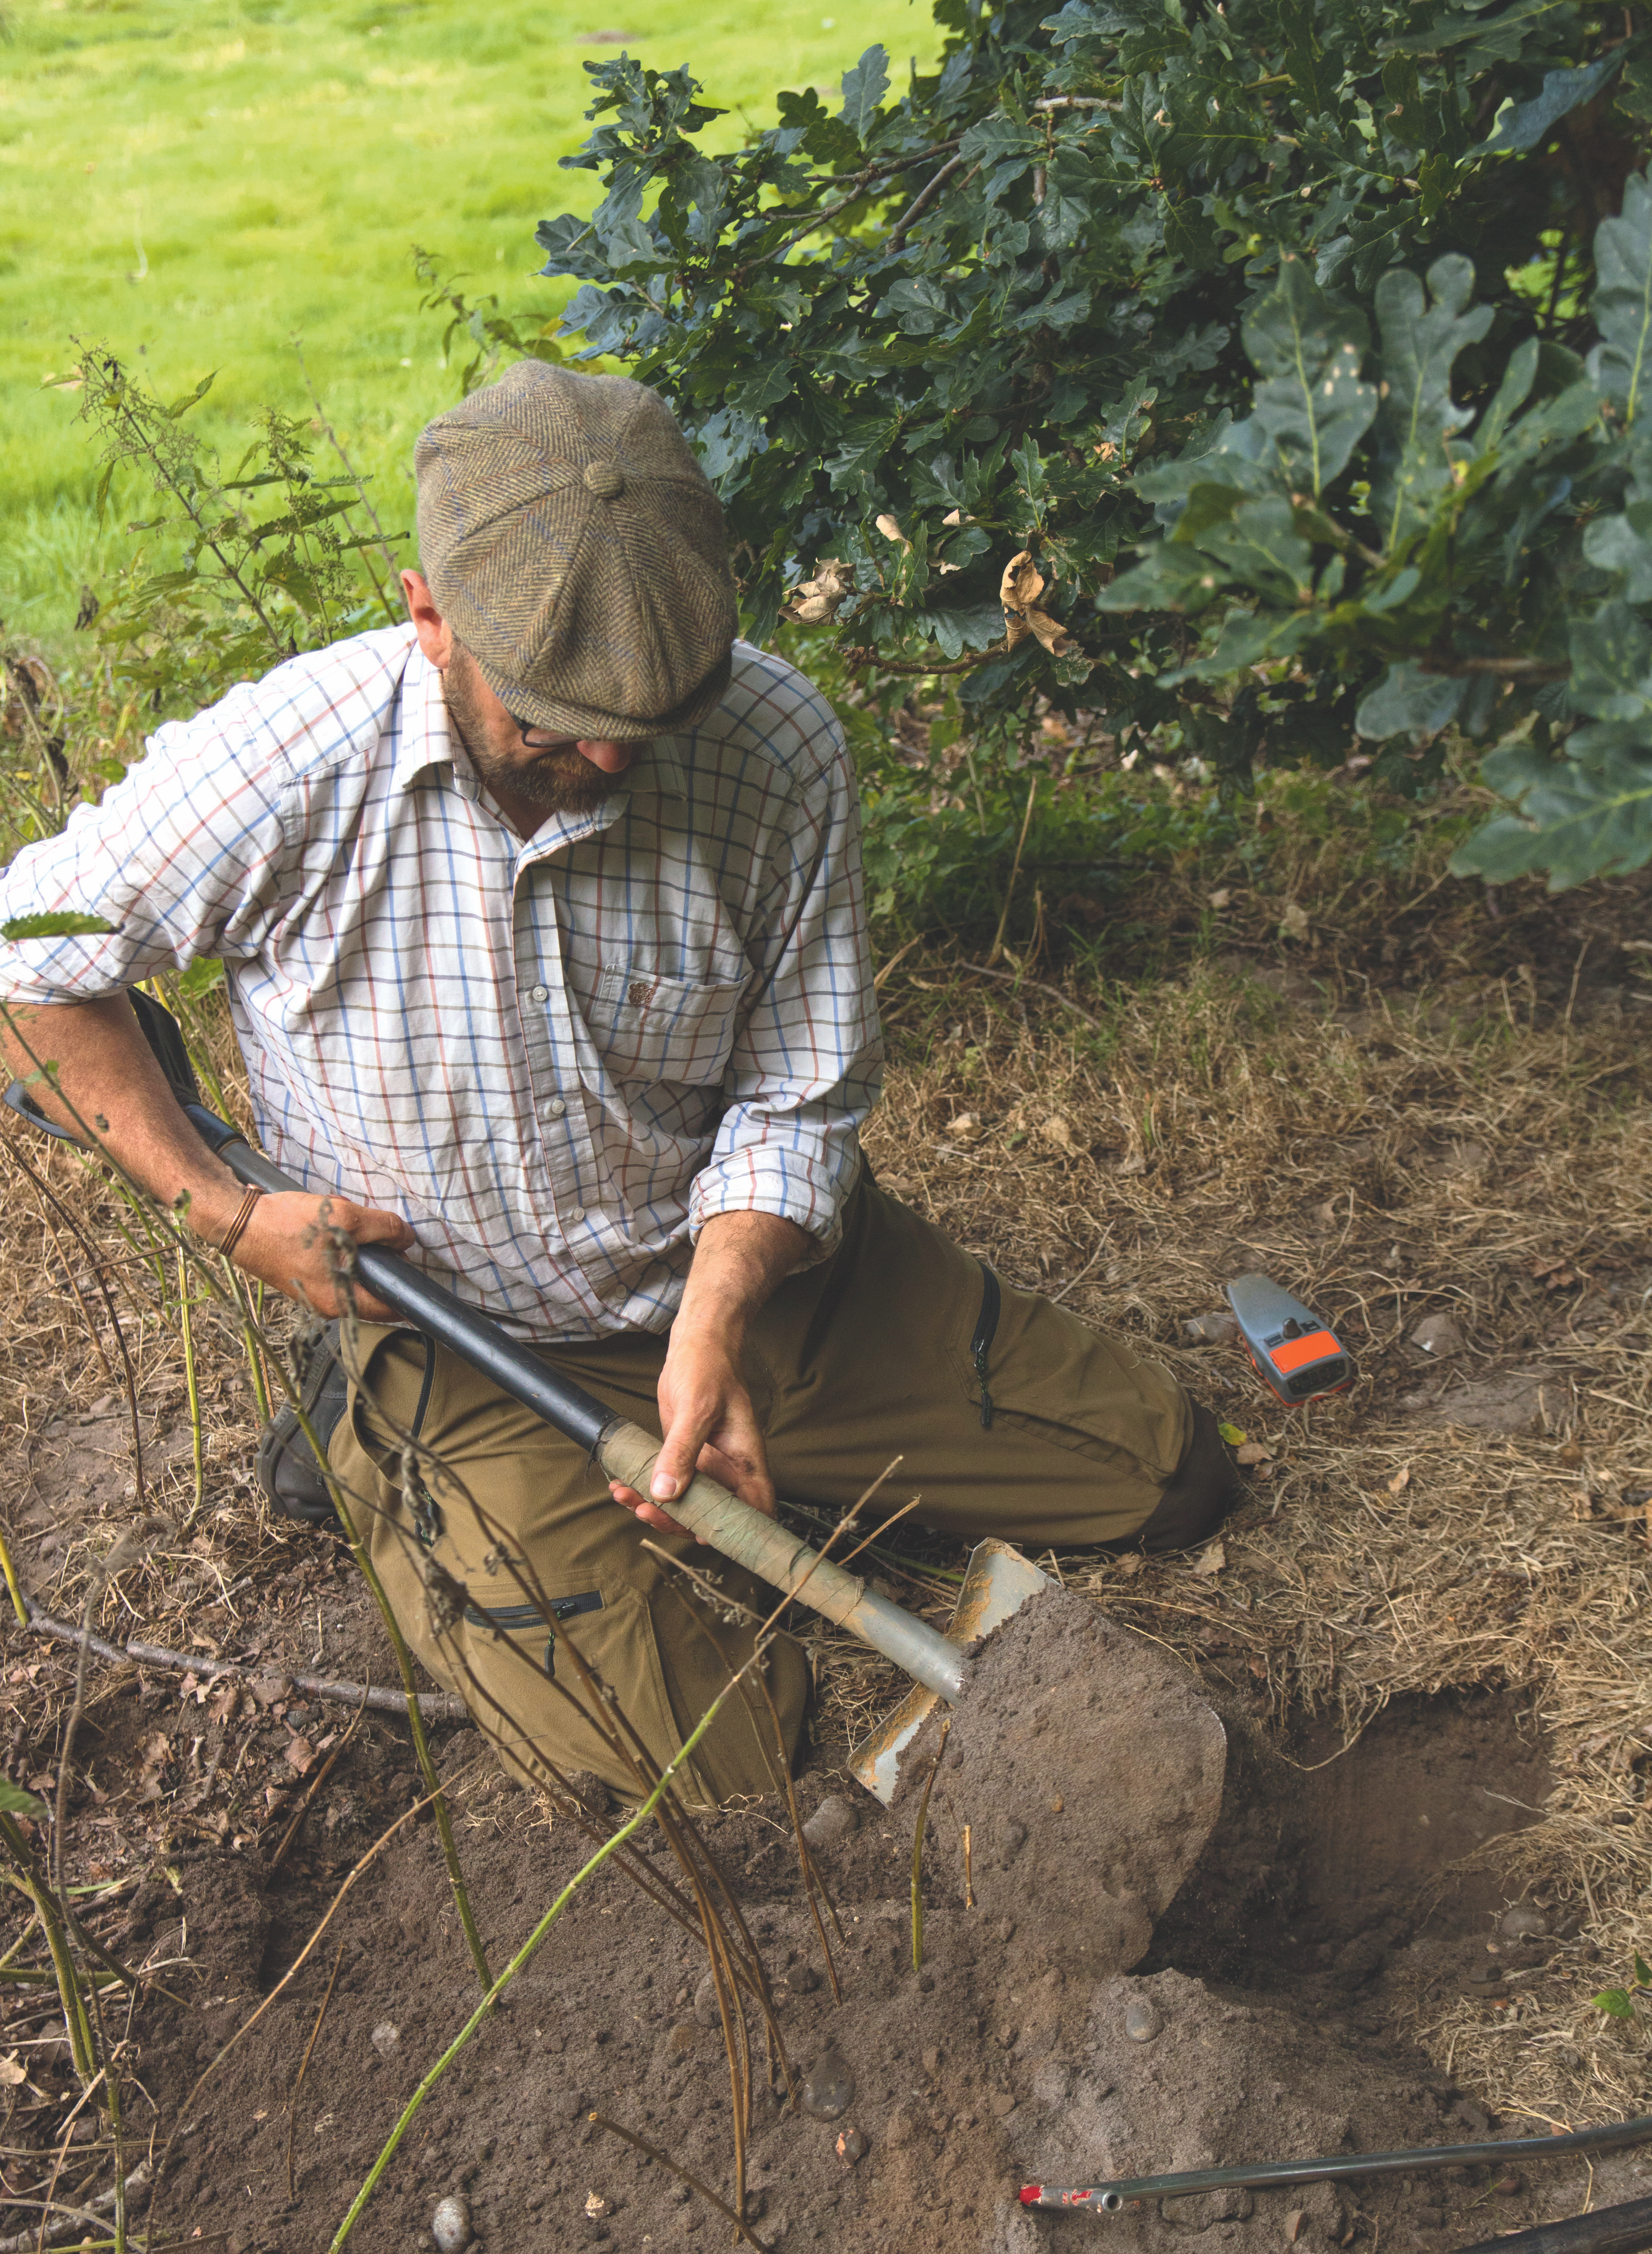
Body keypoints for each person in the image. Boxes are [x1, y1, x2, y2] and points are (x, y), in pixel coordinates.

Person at [0, 362, 1235, 1808]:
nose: (604, 756)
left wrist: (716, 1321)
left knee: (1170, 1479)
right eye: (553, 721)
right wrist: (229, 1214)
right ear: (429, 617)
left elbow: (798, 1093)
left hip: (734, 1284)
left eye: (644, 722)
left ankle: (749, 1449)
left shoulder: (777, 746)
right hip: (462, 1332)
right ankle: (368, 1437)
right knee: (732, 1778)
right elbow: (27, 969)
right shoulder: (287, 765)